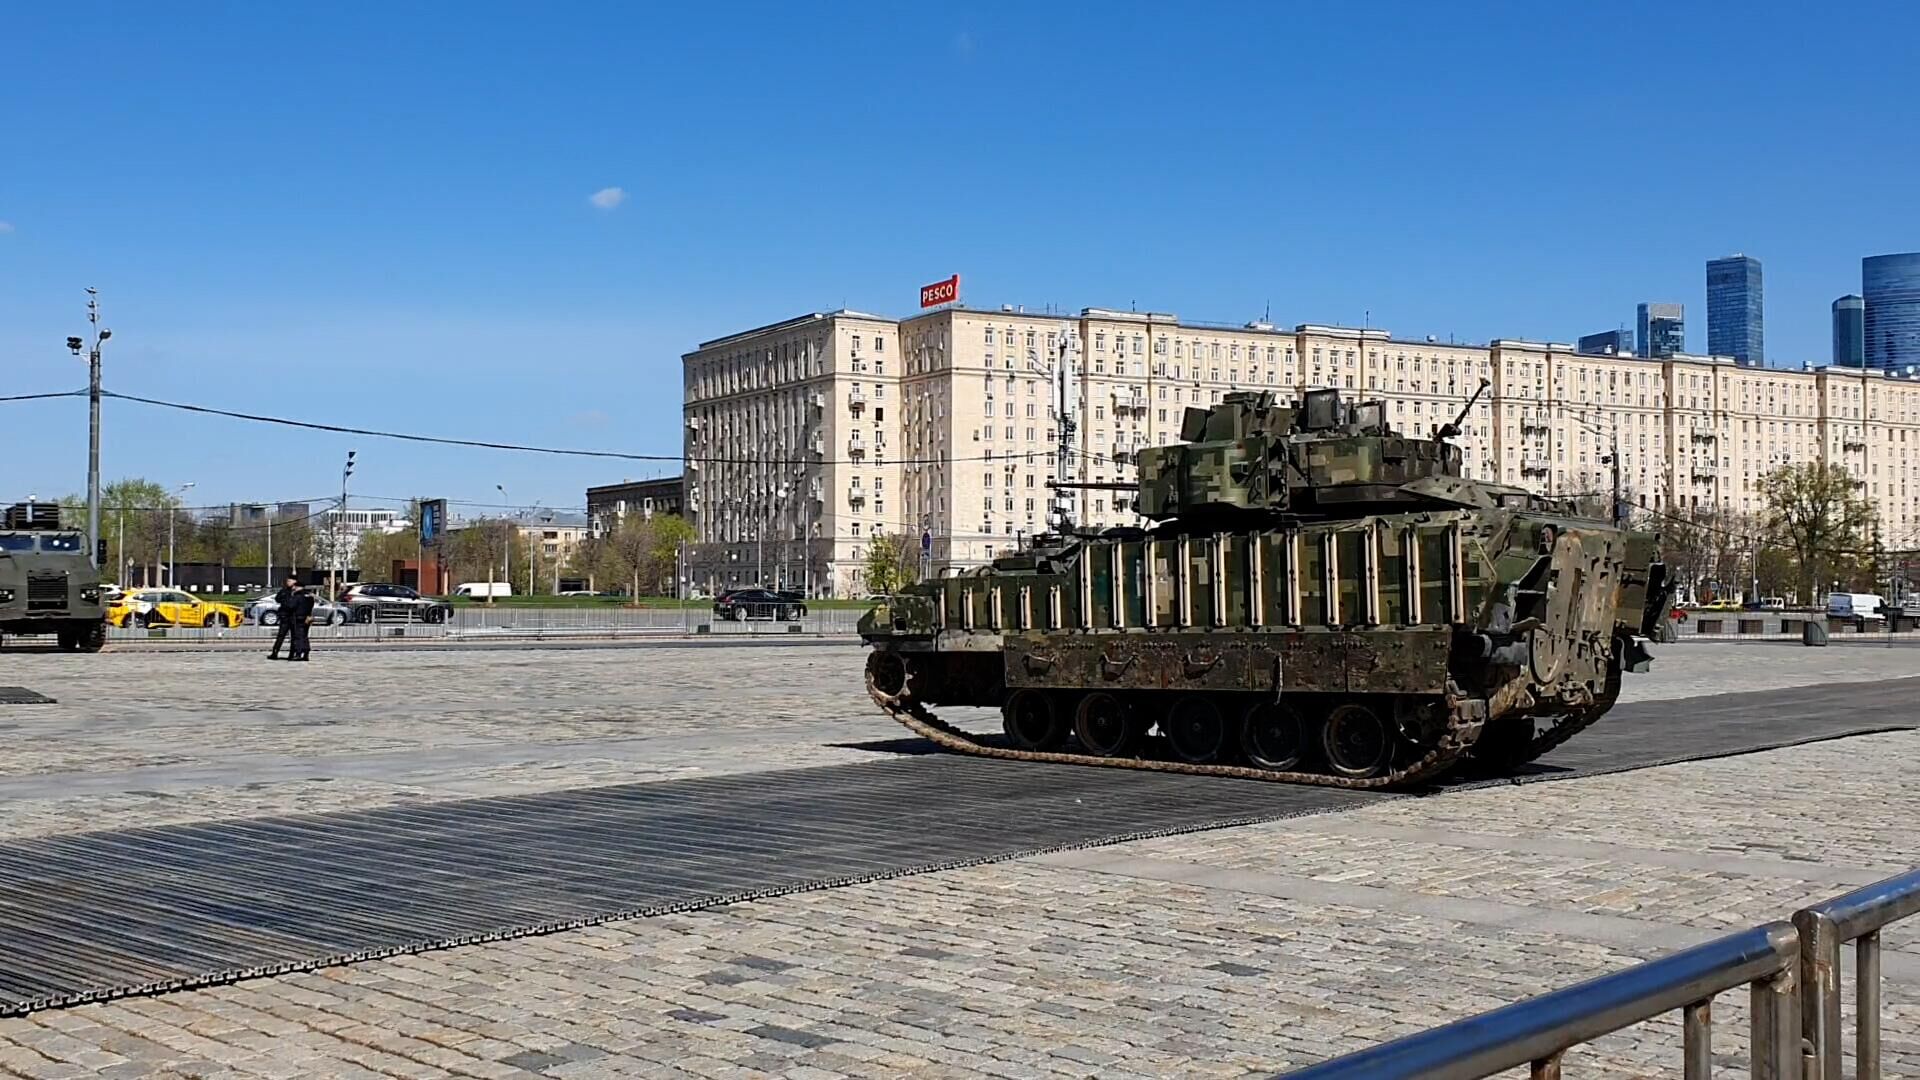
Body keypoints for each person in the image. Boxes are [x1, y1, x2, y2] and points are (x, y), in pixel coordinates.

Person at [267, 575, 298, 659]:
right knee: (281, 635)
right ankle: (275, 652)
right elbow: (277, 599)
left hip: (294, 616)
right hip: (285, 616)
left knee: (294, 636)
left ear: (295, 581)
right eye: (287, 581)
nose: (288, 582)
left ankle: (292, 654)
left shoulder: (297, 591)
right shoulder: (284, 591)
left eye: (290, 581)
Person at [286, 584, 316, 661]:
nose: (294, 588)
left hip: (298, 618)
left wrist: (291, 598)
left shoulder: (297, 596)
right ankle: (306, 653)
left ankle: (298, 653)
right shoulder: (309, 596)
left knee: (298, 636)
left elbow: (291, 606)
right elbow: (311, 605)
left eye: (295, 587)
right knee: (305, 636)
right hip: (307, 618)